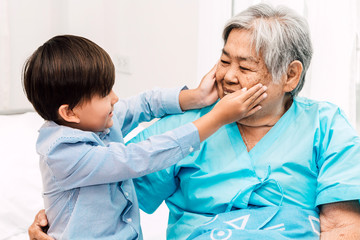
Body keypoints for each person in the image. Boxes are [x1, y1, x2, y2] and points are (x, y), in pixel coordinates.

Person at [29, 3, 360, 240]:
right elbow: (107, 181)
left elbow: (343, 227)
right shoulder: (182, 128)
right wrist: (55, 223)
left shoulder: (326, 125)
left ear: (290, 75)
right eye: (224, 60)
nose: (229, 76)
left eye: (245, 68)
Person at [23, 35, 267, 239]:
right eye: (104, 94)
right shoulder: (63, 154)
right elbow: (138, 157)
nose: (115, 99)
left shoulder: (95, 120)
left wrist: (195, 97)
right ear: (69, 112)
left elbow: (145, 104)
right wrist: (215, 119)